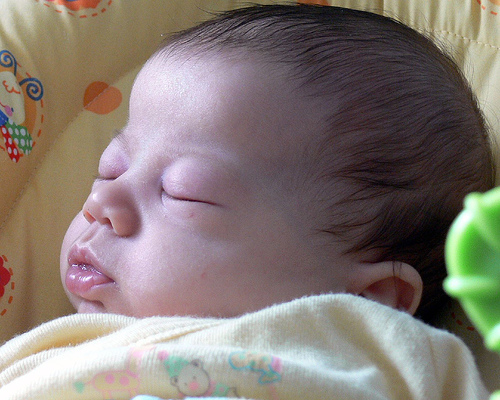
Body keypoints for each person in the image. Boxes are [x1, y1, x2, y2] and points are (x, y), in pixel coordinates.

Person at [0, 4, 493, 399]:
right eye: (111, 167)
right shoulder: (59, 353)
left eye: (181, 192)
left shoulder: (321, 365)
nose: (103, 201)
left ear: (364, 302)